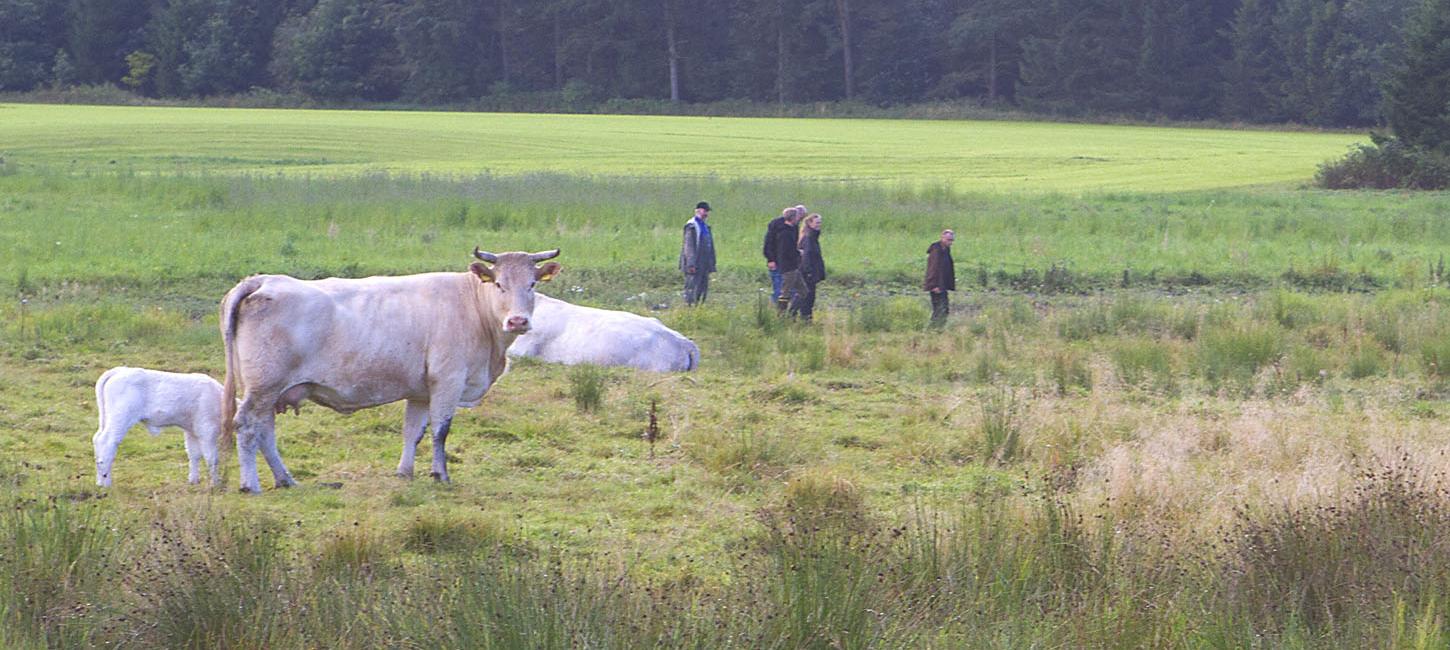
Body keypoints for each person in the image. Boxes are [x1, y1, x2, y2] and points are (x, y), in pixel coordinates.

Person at [763, 205, 805, 304]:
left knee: (792, 289)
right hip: (778, 262)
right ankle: (780, 311)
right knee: (780, 288)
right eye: (800, 217)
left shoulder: (793, 227)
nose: (800, 220)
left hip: (790, 263)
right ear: (794, 215)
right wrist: (770, 259)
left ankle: (788, 311)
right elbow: (768, 243)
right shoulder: (779, 228)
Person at [680, 202, 716, 305]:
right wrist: (691, 264)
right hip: (695, 263)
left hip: (704, 263)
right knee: (692, 287)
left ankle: (699, 308)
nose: (706, 214)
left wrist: (711, 263)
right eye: (704, 211)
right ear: (697, 211)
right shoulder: (691, 225)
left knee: (703, 288)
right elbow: (689, 246)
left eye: (707, 211)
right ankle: (690, 309)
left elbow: (710, 245)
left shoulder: (705, 226)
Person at [791, 213, 825, 322]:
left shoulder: (811, 237)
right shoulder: (808, 238)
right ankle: (792, 315)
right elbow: (807, 256)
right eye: (817, 223)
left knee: (808, 296)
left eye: (820, 222)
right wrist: (809, 271)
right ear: (810, 223)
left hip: (809, 271)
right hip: (807, 272)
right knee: (805, 296)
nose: (819, 225)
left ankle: (805, 319)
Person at [924, 229, 955, 327]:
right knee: (940, 309)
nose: (950, 242)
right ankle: (933, 329)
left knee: (943, 309)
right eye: (948, 240)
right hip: (936, 285)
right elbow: (933, 268)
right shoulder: (936, 250)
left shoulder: (945, 250)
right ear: (942, 238)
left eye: (951, 240)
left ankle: (938, 329)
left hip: (943, 285)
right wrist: (934, 285)